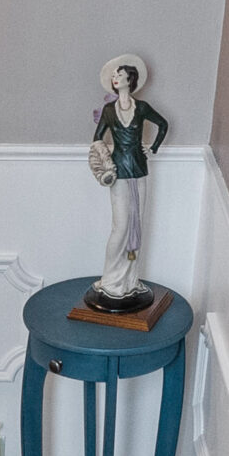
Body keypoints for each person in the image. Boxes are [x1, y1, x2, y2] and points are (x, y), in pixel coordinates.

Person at [86, 58, 170, 310]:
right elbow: (96, 138)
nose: (115, 77)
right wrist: (104, 161)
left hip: (139, 171)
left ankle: (129, 281)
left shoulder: (141, 107)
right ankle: (110, 280)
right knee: (121, 227)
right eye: (113, 75)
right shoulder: (110, 111)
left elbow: (163, 125)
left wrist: (152, 148)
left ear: (130, 79)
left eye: (119, 74)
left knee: (137, 224)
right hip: (119, 172)